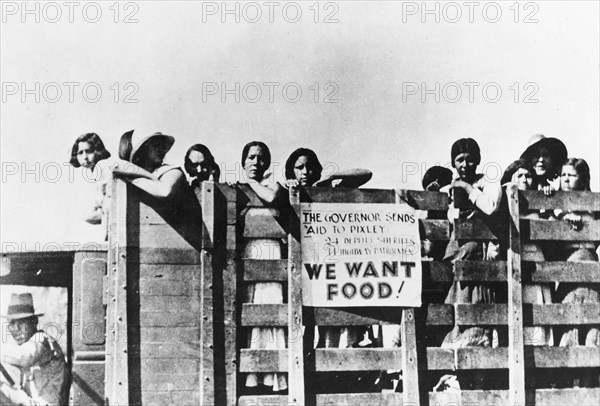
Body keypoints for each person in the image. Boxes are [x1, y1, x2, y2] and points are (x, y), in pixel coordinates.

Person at [439, 138, 503, 389]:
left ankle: (480, 375)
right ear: (453, 162)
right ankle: (458, 375)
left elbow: (492, 206)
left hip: (481, 262)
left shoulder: (487, 182)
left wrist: (466, 187)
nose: (465, 163)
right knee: (458, 309)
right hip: (458, 260)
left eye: (469, 158)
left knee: (479, 309)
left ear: (478, 158)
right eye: (459, 159)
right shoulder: (450, 189)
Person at [239, 141, 287, 393]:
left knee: (270, 312)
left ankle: (273, 378)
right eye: (250, 158)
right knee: (251, 311)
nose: (255, 163)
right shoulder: (236, 191)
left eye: (260, 158)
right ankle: (252, 378)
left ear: (267, 163)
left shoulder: (272, 186)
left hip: (271, 252)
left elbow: (271, 197)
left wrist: (251, 183)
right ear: (243, 161)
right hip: (249, 253)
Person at [553, 159, 599, 389]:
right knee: (568, 335)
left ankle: (589, 394)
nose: (565, 180)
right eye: (562, 175)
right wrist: (562, 215)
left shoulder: (593, 205)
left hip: (590, 277)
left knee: (591, 335)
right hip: (566, 277)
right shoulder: (556, 204)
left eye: (571, 175)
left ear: (583, 179)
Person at [112, 130, 202, 247]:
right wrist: (149, 177)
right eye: (156, 145)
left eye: (163, 146)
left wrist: (133, 179)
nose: (161, 150)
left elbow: (165, 191)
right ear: (142, 149)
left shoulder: (173, 171)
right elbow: (114, 165)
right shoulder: (142, 173)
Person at [500, 160, 554, 350]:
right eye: (519, 175)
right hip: (517, 259)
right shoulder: (506, 199)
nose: (524, 179)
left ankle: (541, 354)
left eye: (528, 175)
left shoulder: (537, 202)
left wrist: (547, 198)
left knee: (539, 301)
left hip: (537, 258)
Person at [0, 293, 69, 406]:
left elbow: (23, 358)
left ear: (34, 322)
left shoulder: (42, 339)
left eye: (21, 322)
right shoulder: (28, 344)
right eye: (12, 323)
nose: (16, 329)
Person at [69, 133, 112, 231]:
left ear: (97, 151)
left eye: (88, 151)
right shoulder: (94, 174)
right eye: (80, 153)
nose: (85, 157)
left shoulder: (102, 166)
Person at [284, 147, 372, 190]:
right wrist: (286, 187)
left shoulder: (329, 190)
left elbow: (367, 173)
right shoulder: (286, 189)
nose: (305, 172)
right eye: (299, 168)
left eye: (310, 167)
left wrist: (332, 176)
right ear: (291, 170)